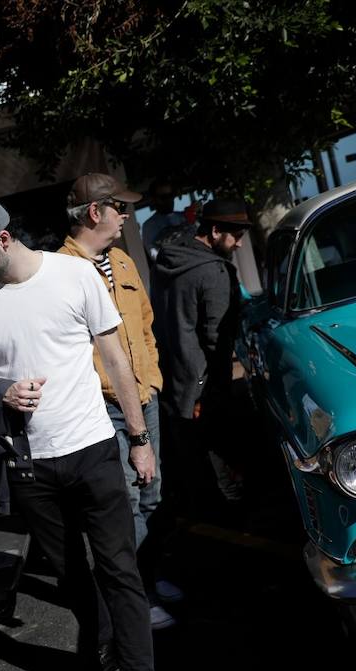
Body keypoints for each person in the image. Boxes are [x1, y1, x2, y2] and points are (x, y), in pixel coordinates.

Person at [0, 192, 189, 671]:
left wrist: (140, 439)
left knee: (120, 572)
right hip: (30, 466)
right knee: (72, 577)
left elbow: (117, 360)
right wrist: (4, 391)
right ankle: (97, 646)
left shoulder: (73, 277)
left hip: (94, 450)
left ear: (3, 239)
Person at [60, 174, 181, 632]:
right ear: (96, 212)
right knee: (125, 503)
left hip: (143, 396)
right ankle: (138, 597)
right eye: (121, 209)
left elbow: (145, 326)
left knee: (153, 495)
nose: (127, 217)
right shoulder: (61, 271)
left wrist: (150, 377)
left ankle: (153, 575)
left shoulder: (123, 261)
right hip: (102, 406)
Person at [153, 197, 251, 518]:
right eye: (235, 235)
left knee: (189, 457)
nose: (238, 243)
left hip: (171, 374)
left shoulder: (169, 259)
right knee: (217, 453)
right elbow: (216, 339)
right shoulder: (214, 271)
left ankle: (205, 508)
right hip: (203, 383)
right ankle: (229, 510)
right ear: (214, 230)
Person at [140, 179, 187, 269]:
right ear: (154, 199)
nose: (169, 200)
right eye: (164, 197)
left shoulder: (183, 217)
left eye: (171, 195)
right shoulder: (149, 226)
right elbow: (155, 255)